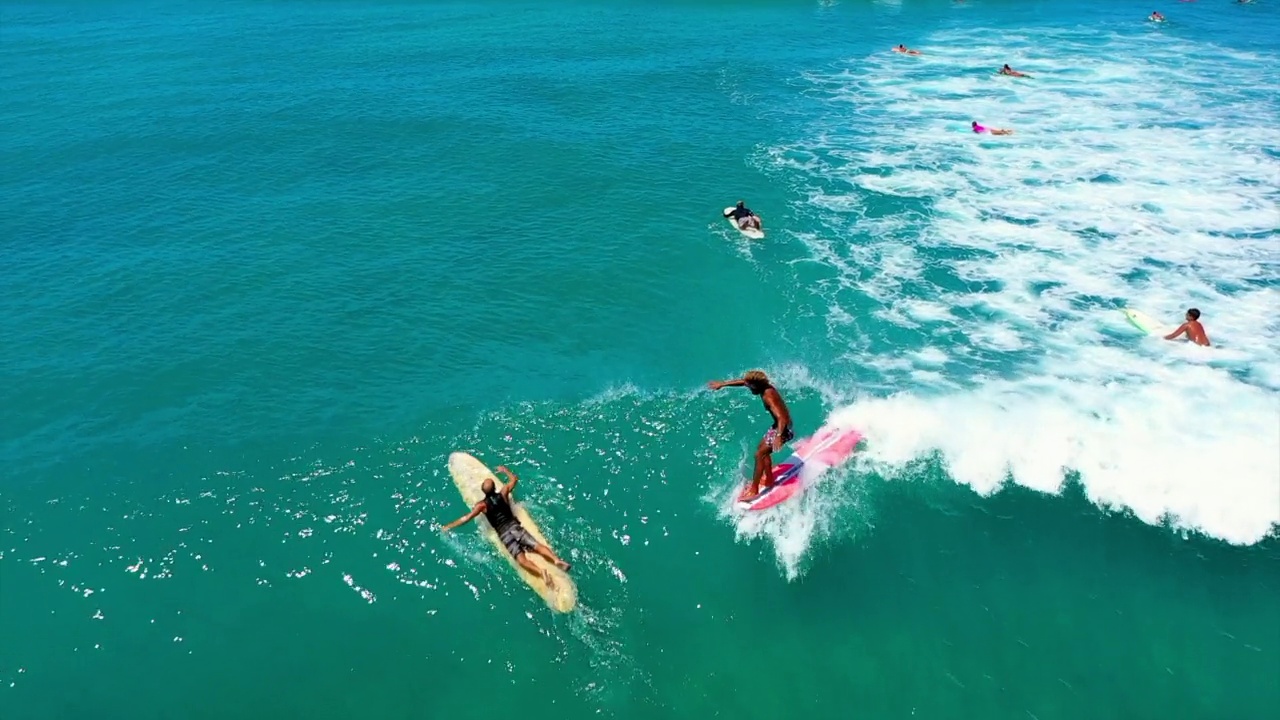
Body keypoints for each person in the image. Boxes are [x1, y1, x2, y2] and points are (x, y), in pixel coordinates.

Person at [441, 464, 571, 587]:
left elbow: (466, 518)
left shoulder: (482, 505)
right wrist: (505, 471)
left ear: (483, 491)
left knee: (521, 560)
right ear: (494, 488)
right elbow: (514, 479)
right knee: (536, 546)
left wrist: (449, 526)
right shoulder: (503, 492)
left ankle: (540, 572)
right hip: (515, 527)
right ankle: (555, 560)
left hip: (504, 535)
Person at [707, 370, 794, 502]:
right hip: (777, 426)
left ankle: (754, 489)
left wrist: (779, 436)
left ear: (757, 385)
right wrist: (723, 384)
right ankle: (769, 479)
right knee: (761, 449)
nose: (748, 388)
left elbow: (782, 417)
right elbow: (743, 382)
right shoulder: (761, 386)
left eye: (750, 386)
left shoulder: (768, 396)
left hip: (783, 428)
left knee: (759, 455)